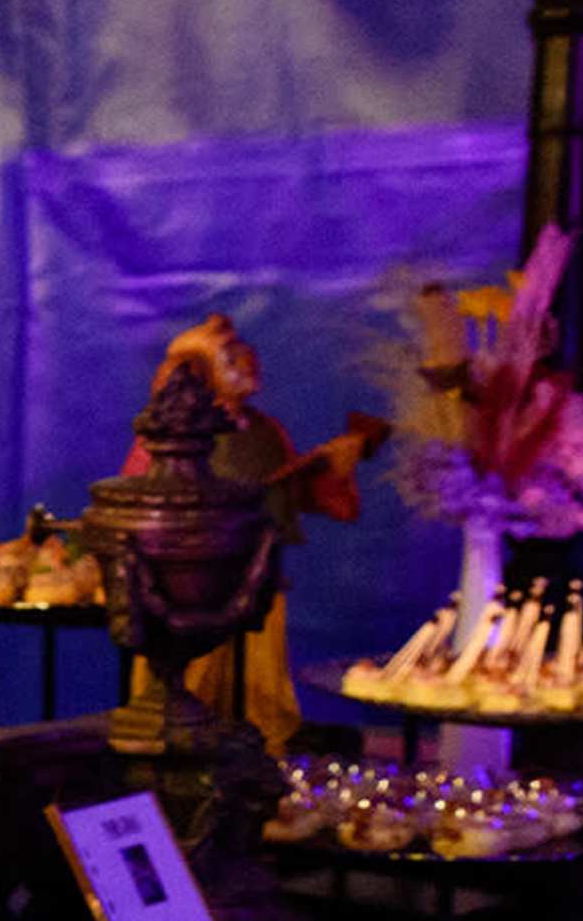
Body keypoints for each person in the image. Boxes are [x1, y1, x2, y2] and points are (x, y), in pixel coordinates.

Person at [121, 314, 387, 747]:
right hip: (189, 587)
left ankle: (260, 751)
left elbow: (293, 490)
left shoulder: (265, 429)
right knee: (187, 688)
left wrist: (334, 462)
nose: (249, 368)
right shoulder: (168, 436)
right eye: (233, 360)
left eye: (247, 358)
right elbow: (138, 502)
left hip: (257, 578)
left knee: (258, 692)